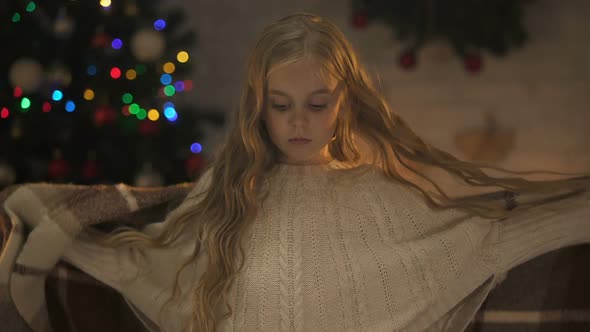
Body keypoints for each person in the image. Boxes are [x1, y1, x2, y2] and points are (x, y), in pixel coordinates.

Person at [1, 12, 589, 332]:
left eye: (318, 103)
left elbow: (488, 242)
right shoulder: (228, 193)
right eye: (281, 105)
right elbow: (149, 266)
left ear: (345, 102)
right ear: (258, 103)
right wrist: (61, 230)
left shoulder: (379, 194)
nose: (299, 122)